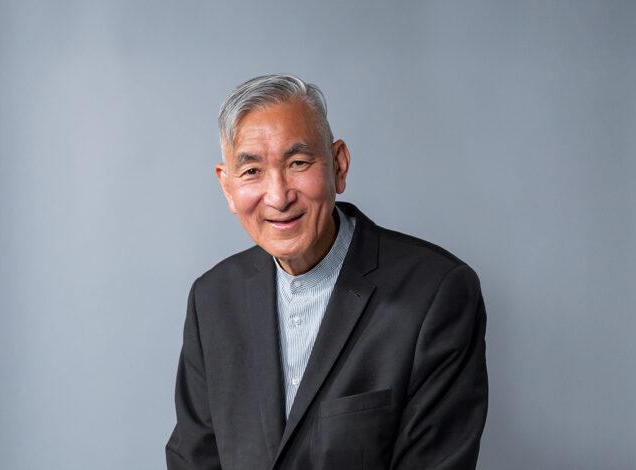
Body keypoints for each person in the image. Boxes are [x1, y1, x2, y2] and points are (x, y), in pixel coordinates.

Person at [166, 75, 488, 469]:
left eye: (298, 163)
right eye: (252, 172)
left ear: (339, 165)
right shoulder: (212, 298)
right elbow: (193, 459)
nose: (279, 196)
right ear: (228, 187)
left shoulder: (435, 293)